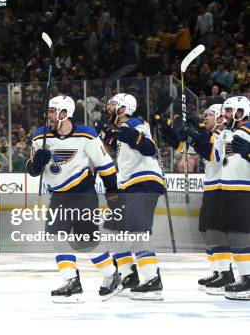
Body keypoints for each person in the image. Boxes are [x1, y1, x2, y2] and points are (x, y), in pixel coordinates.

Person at [26, 96, 120, 302]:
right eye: (48, 111)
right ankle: (71, 281)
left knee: (84, 243)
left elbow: (104, 164)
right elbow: (32, 170)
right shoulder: (40, 136)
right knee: (56, 237)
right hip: (58, 196)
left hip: (83, 194)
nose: (48, 115)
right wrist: (37, 163)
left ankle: (111, 273)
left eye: (52, 111)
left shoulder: (86, 134)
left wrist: (112, 190)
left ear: (64, 113)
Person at [153, 104, 227, 294]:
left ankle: (226, 272)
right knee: (208, 232)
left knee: (217, 232)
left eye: (209, 115)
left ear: (220, 117)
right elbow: (179, 144)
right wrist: (165, 127)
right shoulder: (207, 134)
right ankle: (218, 270)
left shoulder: (225, 135)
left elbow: (212, 154)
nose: (205, 117)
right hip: (210, 188)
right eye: (205, 115)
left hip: (222, 188)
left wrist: (197, 135)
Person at [102, 93, 166, 300]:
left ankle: (151, 280)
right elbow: (120, 145)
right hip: (130, 186)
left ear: (123, 108)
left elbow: (149, 148)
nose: (108, 108)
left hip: (144, 182)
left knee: (138, 233)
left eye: (112, 105)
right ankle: (129, 274)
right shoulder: (121, 129)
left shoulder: (136, 123)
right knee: (112, 228)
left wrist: (129, 135)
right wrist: (108, 137)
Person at [220, 96, 250, 300]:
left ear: (242, 112)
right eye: (227, 111)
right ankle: (244, 277)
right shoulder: (230, 133)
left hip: (243, 191)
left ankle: (248, 279)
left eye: (231, 111)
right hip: (230, 191)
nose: (227, 115)